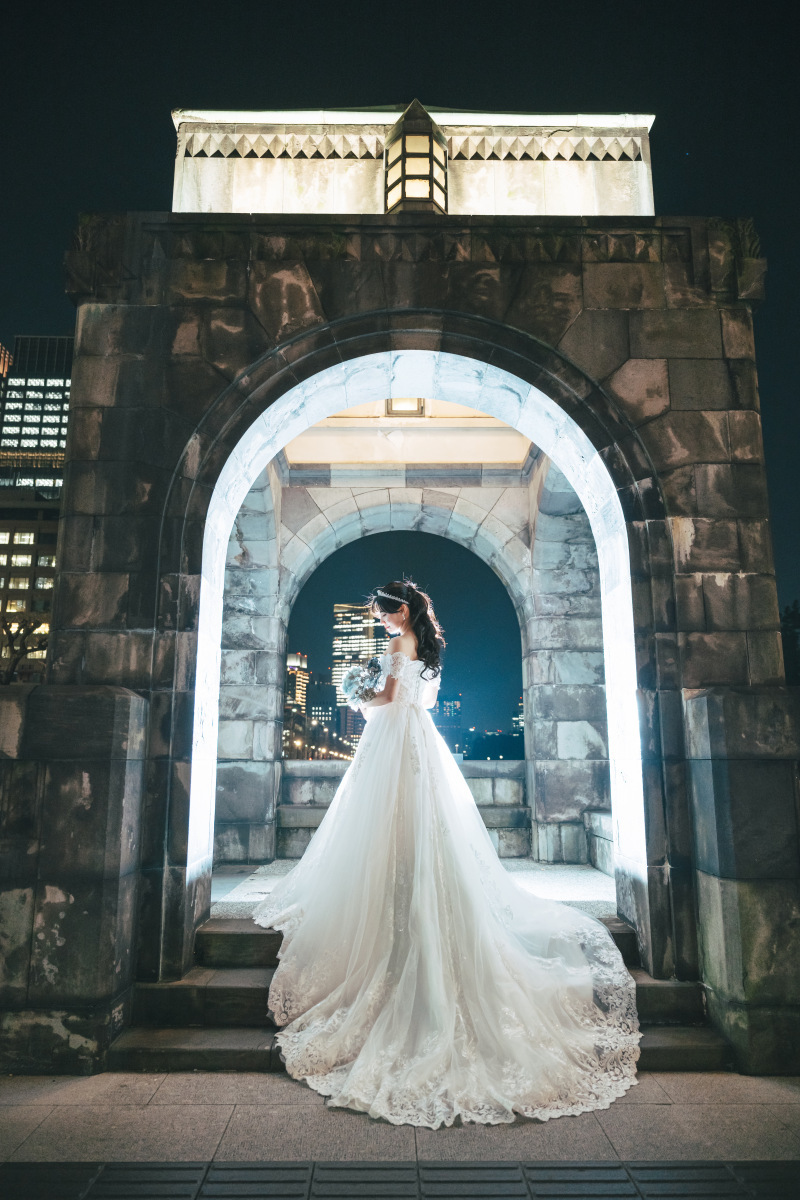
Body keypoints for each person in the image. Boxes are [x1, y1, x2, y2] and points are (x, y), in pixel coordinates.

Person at [253, 579, 640, 1128]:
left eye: (384, 614)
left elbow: (387, 697)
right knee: (425, 822)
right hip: (419, 740)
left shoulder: (394, 646)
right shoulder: (429, 650)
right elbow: (418, 699)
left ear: (402, 611)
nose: (381, 622)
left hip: (391, 739)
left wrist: (353, 693)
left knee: (382, 820)